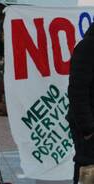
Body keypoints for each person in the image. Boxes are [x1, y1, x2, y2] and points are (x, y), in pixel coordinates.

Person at [67, 23, 94, 184]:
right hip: (89, 136)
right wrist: (89, 130)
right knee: (88, 174)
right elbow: (77, 93)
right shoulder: (87, 47)